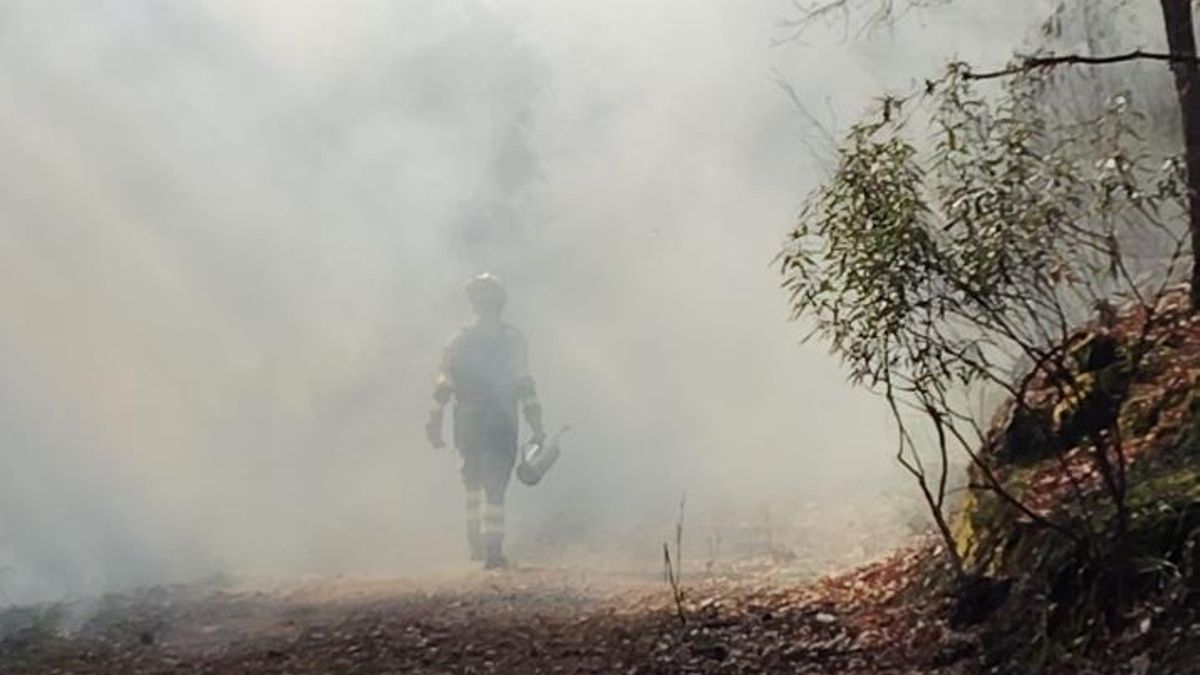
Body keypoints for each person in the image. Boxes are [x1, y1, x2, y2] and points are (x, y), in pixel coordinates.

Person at [425, 273, 545, 569]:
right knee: (494, 484)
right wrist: (536, 425)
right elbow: (524, 383)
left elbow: (443, 383)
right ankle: (493, 548)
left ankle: (475, 543)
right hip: (500, 418)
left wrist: (435, 418)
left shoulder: (458, 339)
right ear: (500, 303)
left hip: (467, 418)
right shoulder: (511, 339)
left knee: (471, 479)